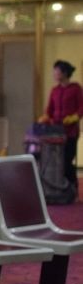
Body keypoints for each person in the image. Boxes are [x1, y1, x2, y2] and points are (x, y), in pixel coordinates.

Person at [40, 60, 83, 190]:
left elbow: (81, 107)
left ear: (64, 73)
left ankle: (72, 186)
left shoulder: (76, 88)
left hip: (70, 132)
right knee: (57, 162)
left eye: (56, 71)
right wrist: (46, 117)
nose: (54, 74)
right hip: (55, 131)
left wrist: (75, 117)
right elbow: (49, 110)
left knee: (67, 160)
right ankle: (60, 187)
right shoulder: (55, 90)